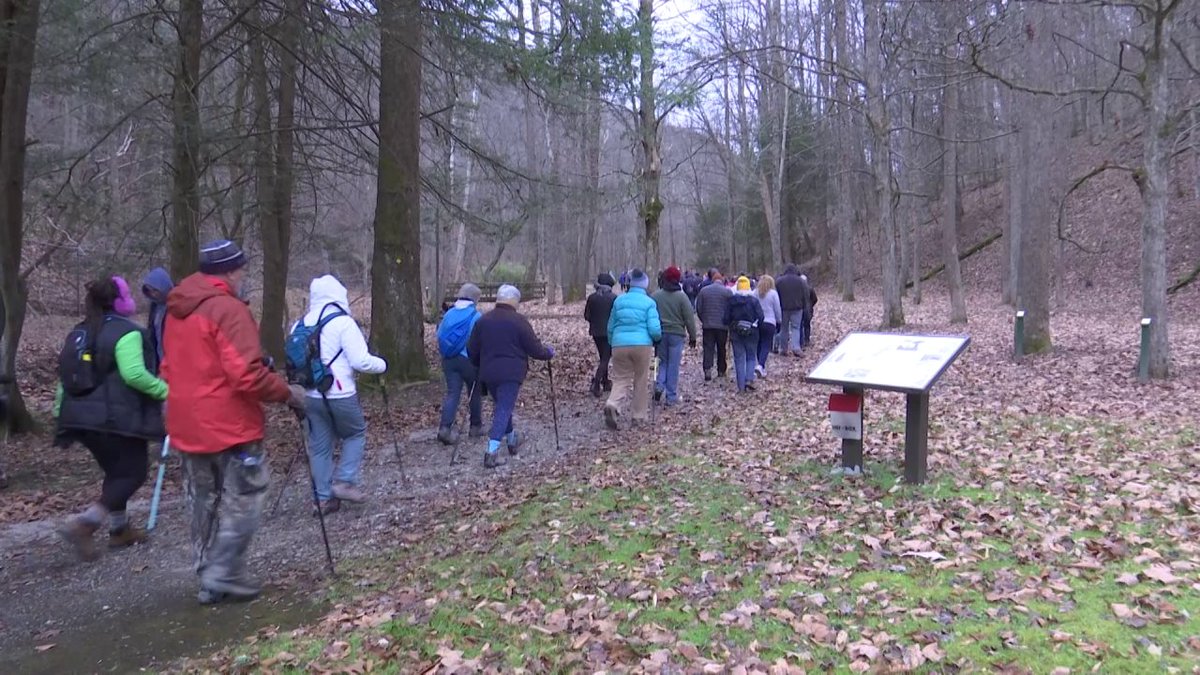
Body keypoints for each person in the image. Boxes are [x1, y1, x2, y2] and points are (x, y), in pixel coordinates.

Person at [162, 239, 307, 604]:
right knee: (246, 493)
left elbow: (169, 367)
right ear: (230, 270)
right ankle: (224, 570)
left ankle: (208, 575)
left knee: (202, 499)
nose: (242, 276)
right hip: (228, 423)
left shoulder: (176, 309)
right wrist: (288, 392)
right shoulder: (227, 310)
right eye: (240, 269)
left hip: (184, 420)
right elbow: (246, 376)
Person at [54, 276, 167, 561]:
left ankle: (119, 530)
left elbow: (65, 376)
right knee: (133, 472)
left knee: (116, 472)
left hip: (77, 417)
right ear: (119, 301)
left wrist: (60, 410)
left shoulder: (79, 332)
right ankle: (86, 523)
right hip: (115, 418)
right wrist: (167, 390)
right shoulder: (126, 332)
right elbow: (135, 375)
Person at [296, 275, 388, 513]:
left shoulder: (300, 323)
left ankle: (323, 498)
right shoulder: (343, 323)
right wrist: (382, 365)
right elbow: (360, 361)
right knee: (355, 433)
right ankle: (345, 480)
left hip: (311, 394)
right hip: (340, 392)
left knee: (320, 446)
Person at [467, 284, 554, 469]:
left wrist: (478, 364)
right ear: (514, 301)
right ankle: (491, 451)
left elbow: (471, 349)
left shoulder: (483, 321)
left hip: (488, 372)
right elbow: (534, 348)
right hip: (511, 372)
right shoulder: (518, 321)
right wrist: (548, 353)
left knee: (502, 406)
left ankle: (512, 438)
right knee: (504, 408)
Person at [604, 269, 661, 429]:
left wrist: (612, 341)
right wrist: (657, 338)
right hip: (641, 344)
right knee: (640, 379)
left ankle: (613, 403)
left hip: (619, 344)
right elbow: (655, 329)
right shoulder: (649, 302)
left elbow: (611, 325)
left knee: (621, 378)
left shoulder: (619, 301)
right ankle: (638, 415)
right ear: (644, 285)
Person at [437, 283, 484, 443]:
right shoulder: (475, 316)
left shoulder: (448, 314)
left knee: (452, 394)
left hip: (448, 360)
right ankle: (475, 426)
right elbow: (479, 340)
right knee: (474, 392)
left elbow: (439, 334)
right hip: (468, 360)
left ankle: (445, 428)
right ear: (474, 299)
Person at [651, 266, 696, 407]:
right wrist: (692, 336)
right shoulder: (682, 297)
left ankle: (659, 386)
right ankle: (671, 396)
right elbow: (689, 318)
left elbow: (651, 315)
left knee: (663, 362)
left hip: (660, 334)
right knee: (673, 365)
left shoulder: (656, 296)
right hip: (677, 335)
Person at [724, 276, 765, 393]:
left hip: (736, 333)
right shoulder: (754, 301)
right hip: (752, 333)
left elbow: (725, 318)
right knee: (751, 356)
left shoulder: (731, 301)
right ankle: (749, 379)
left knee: (739, 359)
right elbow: (761, 317)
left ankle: (741, 386)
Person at [695, 269, 732, 381]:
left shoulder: (704, 291)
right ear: (721, 280)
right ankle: (721, 370)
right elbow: (730, 309)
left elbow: (699, 308)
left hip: (708, 325)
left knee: (708, 347)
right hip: (722, 325)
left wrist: (704, 319)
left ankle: (707, 369)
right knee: (721, 348)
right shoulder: (727, 292)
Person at [584, 273, 617, 397]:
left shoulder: (592, 298)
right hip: (609, 333)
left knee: (603, 357)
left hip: (596, 332)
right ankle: (597, 382)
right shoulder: (614, 298)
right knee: (605, 358)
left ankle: (605, 381)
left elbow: (586, 316)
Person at [141, 267, 174, 373]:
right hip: (159, 358)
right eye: (150, 291)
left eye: (155, 290)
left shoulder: (176, 305)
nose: (153, 294)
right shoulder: (154, 306)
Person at [776, 264, 811, 356]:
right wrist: (804, 306)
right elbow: (806, 294)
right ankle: (796, 347)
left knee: (784, 329)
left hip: (783, 308)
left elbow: (776, 295)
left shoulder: (779, 281)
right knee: (796, 328)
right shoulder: (801, 281)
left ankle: (783, 348)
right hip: (797, 308)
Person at [755, 274, 782, 377]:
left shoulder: (755, 293)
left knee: (759, 344)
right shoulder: (773, 294)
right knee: (766, 344)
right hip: (770, 321)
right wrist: (779, 320)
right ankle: (761, 365)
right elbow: (777, 309)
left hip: (758, 322)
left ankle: (760, 365)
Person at [801, 274, 818, 347]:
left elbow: (815, 299)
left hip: (801, 308)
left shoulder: (798, 289)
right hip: (808, 309)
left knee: (800, 325)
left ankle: (802, 341)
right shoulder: (810, 288)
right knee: (807, 325)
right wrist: (811, 305)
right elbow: (815, 299)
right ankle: (806, 340)